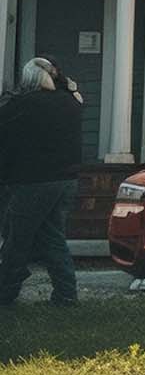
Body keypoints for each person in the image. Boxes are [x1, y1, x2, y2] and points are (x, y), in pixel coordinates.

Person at [0, 57, 85, 307]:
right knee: (52, 237)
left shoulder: (23, 104)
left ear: (29, 78)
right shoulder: (71, 102)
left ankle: (6, 293)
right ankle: (66, 294)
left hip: (33, 182)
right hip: (66, 180)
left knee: (17, 237)